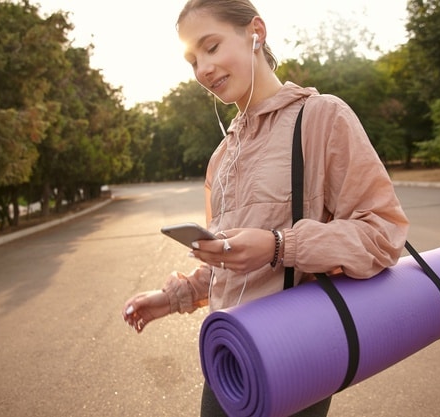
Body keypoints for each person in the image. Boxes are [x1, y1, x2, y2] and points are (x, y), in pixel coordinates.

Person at [122, 0, 409, 415]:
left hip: (298, 353)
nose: (202, 69)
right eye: (192, 59)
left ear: (255, 31)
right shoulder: (221, 157)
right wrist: (171, 298)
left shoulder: (322, 117)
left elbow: (383, 236)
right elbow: (231, 262)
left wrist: (280, 246)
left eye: (212, 46)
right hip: (226, 355)